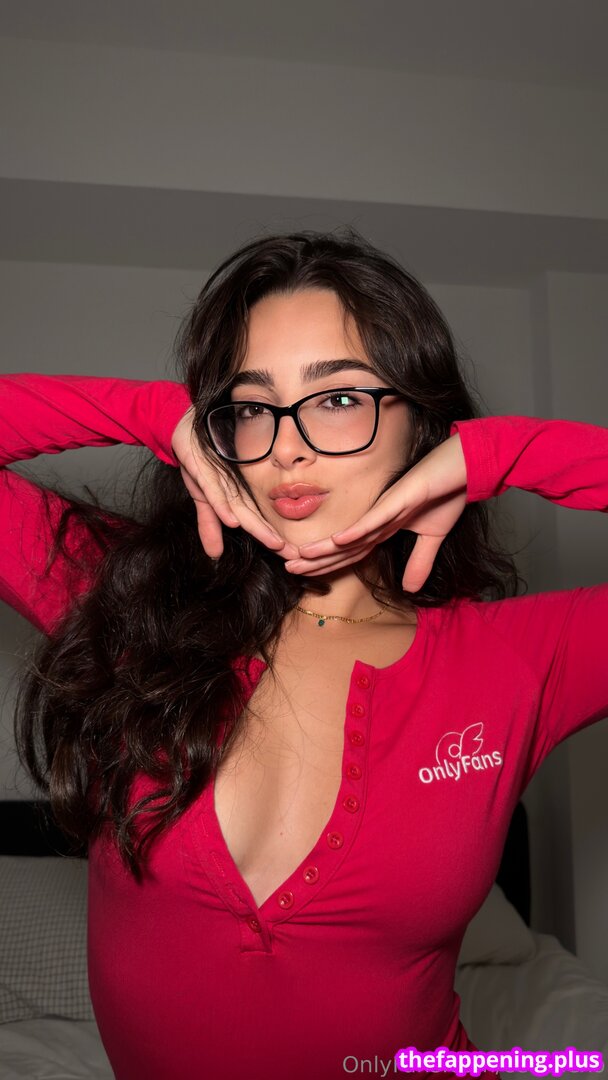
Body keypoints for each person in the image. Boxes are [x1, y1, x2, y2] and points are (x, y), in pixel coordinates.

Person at [0, 228, 606, 1080]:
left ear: (421, 425)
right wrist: (151, 415)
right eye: (252, 407)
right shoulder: (128, 599)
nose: (286, 446)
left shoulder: (521, 659)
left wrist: (503, 454)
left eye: (339, 398)